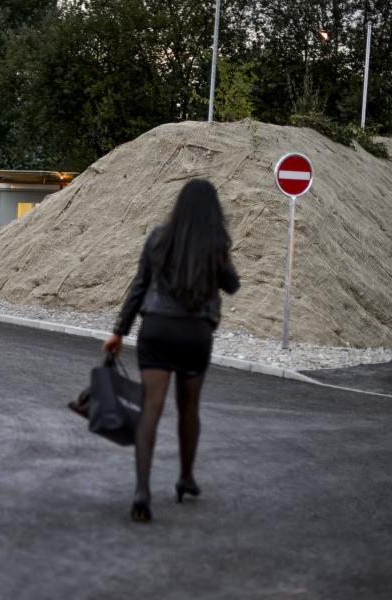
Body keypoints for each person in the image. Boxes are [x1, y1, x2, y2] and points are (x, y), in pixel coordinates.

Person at [102, 179, 239, 523]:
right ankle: (186, 477)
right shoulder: (214, 242)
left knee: (151, 408)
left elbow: (139, 287)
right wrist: (220, 255)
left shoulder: (157, 238)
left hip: (157, 328)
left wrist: (119, 331)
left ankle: (141, 491)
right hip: (195, 333)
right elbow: (232, 284)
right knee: (189, 406)